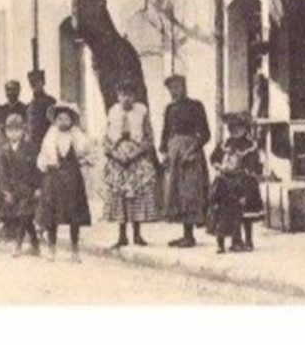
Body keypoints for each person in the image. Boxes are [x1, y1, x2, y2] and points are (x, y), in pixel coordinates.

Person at [102, 80, 159, 249]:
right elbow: (106, 137)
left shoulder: (141, 112)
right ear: (118, 96)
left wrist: (137, 153)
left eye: (130, 95)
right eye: (122, 95)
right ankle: (121, 235)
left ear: (134, 96)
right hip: (118, 159)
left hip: (136, 159)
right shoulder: (113, 112)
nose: (126, 98)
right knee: (119, 197)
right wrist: (113, 153)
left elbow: (149, 137)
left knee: (137, 196)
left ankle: (137, 234)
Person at [160, 74, 212, 249]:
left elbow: (205, 134)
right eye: (171, 88)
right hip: (174, 152)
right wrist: (165, 153)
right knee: (176, 193)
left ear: (184, 86)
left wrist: (193, 149)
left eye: (177, 86)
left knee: (190, 192)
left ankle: (190, 236)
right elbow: (165, 133)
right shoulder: (169, 109)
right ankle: (184, 234)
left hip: (191, 153)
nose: (175, 91)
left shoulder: (196, 106)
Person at [37, 101, 92, 261]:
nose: (63, 122)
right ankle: (52, 248)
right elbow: (44, 154)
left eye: (66, 119)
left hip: (72, 180)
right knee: (51, 216)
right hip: (54, 179)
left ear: (71, 121)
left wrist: (81, 155)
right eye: (59, 119)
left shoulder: (75, 134)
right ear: (55, 120)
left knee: (74, 215)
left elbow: (85, 148)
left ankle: (75, 249)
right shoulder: (51, 134)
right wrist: (48, 163)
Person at [209, 111, 264, 255]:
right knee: (228, 211)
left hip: (245, 182)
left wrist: (247, 170)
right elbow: (215, 157)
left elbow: (254, 164)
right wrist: (219, 166)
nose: (234, 130)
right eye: (232, 127)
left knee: (246, 213)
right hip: (228, 182)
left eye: (238, 127)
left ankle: (249, 240)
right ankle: (234, 240)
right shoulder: (227, 143)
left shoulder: (250, 145)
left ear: (246, 128)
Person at [0, 113, 43, 257]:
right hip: (12, 189)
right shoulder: (3, 150)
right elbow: (1, 173)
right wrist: (6, 191)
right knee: (25, 218)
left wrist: (38, 187)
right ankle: (35, 244)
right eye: (10, 130)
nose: (14, 134)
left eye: (17, 130)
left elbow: (37, 169)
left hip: (28, 188)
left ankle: (18, 245)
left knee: (23, 215)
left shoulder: (30, 148)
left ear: (23, 131)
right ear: (6, 132)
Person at [26, 70, 57, 148]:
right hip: (33, 146)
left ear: (43, 82)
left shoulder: (50, 102)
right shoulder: (29, 106)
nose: (34, 86)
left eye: (37, 82)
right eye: (32, 83)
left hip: (47, 142)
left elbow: (55, 124)